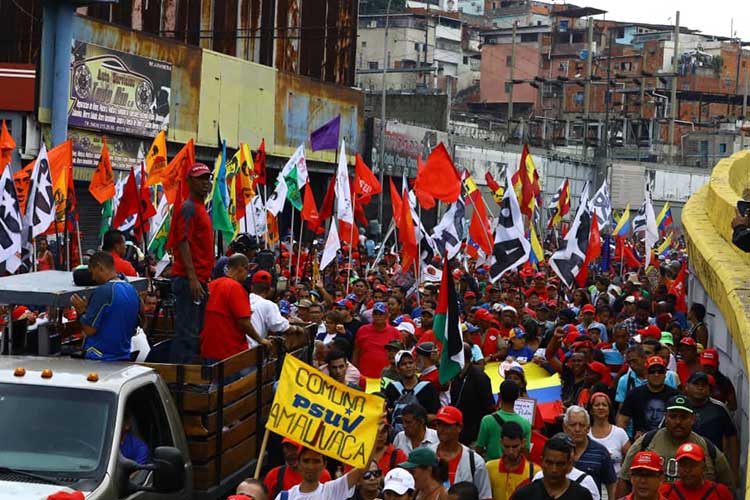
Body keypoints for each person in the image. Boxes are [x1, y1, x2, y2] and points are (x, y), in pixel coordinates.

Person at [616, 395, 734, 496]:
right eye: (673, 416)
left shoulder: (707, 447)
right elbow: (625, 479)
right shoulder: (646, 442)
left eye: (683, 417)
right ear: (666, 417)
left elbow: (727, 485)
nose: (678, 422)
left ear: (692, 419)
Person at [169, 163, 214, 363]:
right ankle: (184, 380)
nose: (205, 183)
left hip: (197, 279)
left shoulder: (200, 207)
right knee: (187, 333)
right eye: (200, 179)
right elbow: (183, 241)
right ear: (189, 182)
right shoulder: (188, 208)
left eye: (207, 179)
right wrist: (193, 278)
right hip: (189, 281)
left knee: (195, 331)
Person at [70, 251, 139, 361]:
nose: (93, 278)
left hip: (100, 357)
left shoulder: (103, 292)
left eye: (92, 272)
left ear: (99, 267)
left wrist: (81, 310)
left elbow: (89, 330)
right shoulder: (132, 290)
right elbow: (141, 321)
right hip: (124, 355)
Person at [200, 254, 270, 361]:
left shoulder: (211, 285)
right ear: (242, 268)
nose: (247, 275)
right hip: (230, 352)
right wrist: (260, 340)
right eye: (247, 271)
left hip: (208, 350)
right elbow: (244, 322)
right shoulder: (235, 288)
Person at [683, 372, 739, 477]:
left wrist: (734, 471)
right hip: (683, 463)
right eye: (696, 384)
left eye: (703, 385)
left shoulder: (719, 409)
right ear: (687, 387)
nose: (700, 388)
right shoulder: (680, 406)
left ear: (709, 389)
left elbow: (732, 437)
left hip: (712, 465)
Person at [511, 433, 594, 500]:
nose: (554, 469)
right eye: (549, 463)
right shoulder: (524, 495)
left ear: (568, 464)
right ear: (542, 461)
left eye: (560, 464)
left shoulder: (581, 496)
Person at [434, 406, 492, 500]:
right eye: (439, 424)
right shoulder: (427, 454)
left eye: (447, 425)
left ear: (459, 427)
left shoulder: (476, 462)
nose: (441, 429)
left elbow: (484, 496)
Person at [274, 446, 369, 500]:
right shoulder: (285, 497)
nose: (311, 466)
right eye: (306, 461)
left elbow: (362, 468)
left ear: (324, 465)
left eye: (316, 461)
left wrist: (375, 432)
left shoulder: (332, 491)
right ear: (298, 464)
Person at [616, 356, 679, 437]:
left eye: (660, 371)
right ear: (646, 374)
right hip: (640, 442)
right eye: (652, 371)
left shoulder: (675, 396)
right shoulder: (634, 394)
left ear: (665, 374)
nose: (656, 374)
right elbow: (622, 421)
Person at [562, 406, 617, 499]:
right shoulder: (557, 450)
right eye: (573, 425)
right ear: (565, 427)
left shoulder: (601, 452)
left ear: (588, 428)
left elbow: (611, 484)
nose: (577, 429)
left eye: (582, 425)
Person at [449, 343, 495, 445]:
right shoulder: (456, 374)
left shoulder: (480, 377)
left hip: (475, 433)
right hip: (458, 429)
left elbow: (489, 407)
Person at [474, 380, 531, 461]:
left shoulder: (487, 420)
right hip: (515, 469)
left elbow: (479, 449)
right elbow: (526, 452)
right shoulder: (525, 423)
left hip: (492, 468)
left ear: (499, 395)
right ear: (518, 396)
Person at [384, 350, 441, 429]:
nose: (408, 366)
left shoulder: (428, 387)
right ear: (398, 369)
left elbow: (436, 415)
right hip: (397, 436)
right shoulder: (392, 388)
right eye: (403, 364)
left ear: (415, 365)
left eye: (410, 363)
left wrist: (414, 420)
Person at [659, 443, 733, 500]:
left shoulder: (720, 492)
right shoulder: (666, 492)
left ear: (703, 467)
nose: (688, 470)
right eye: (683, 465)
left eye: (693, 465)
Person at [485, 421, 538, 500]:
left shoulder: (535, 472)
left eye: (515, 446)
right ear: (501, 443)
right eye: (506, 446)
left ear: (523, 443)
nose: (511, 451)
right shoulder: (489, 468)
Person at [264, 438, 333, 499]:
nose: (290, 453)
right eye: (287, 447)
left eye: (294, 448)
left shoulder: (324, 475)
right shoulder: (274, 475)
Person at [250, 271, 304, 345]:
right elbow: (279, 325)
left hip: (236, 349)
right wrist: (296, 328)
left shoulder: (242, 301)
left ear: (251, 287)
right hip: (251, 349)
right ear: (270, 290)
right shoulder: (268, 305)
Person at [353, 302, 403, 379]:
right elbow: (356, 352)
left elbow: (401, 355)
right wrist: (355, 373)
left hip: (387, 378)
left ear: (386, 315)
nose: (378, 316)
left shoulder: (395, 332)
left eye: (381, 314)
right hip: (364, 377)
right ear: (372, 315)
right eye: (375, 314)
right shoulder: (363, 330)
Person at [588, 392, 630, 476]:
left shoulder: (620, 433)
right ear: (591, 410)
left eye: (604, 405)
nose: (601, 407)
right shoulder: (586, 434)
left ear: (609, 409)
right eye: (597, 405)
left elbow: (630, 458)